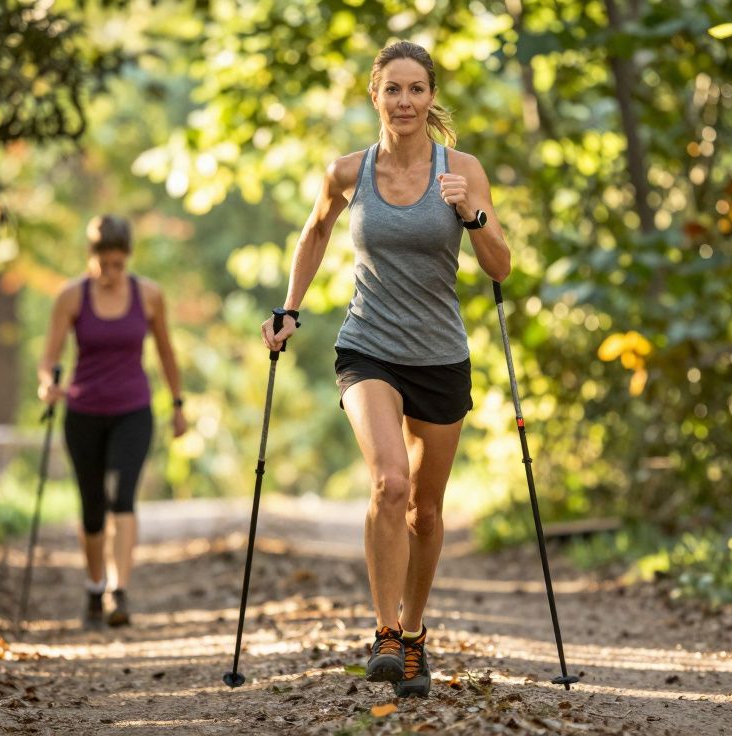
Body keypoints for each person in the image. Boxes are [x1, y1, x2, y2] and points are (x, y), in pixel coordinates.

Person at [261, 40, 510, 697]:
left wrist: (471, 213)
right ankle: (386, 634)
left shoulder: (463, 169)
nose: (404, 101)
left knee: (426, 513)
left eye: (416, 90)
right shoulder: (348, 172)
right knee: (390, 484)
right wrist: (289, 309)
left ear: (431, 99)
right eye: (392, 89)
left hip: (441, 357)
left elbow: (500, 265)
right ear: (375, 95)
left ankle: (417, 635)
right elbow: (315, 233)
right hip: (367, 346)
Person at [39, 214, 188, 629]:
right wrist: (46, 384)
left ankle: (119, 591)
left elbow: (166, 352)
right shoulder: (70, 297)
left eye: (118, 265)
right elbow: (48, 357)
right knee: (92, 507)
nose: (110, 273)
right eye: (104, 264)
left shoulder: (149, 296)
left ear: (128, 259)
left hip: (133, 410)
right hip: (83, 412)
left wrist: (177, 404)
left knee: (123, 496)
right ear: (92, 258)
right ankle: (93, 586)